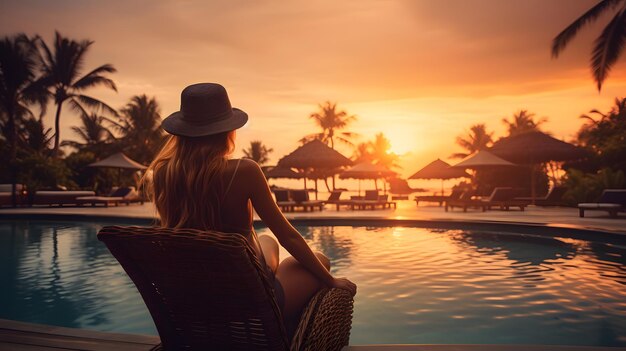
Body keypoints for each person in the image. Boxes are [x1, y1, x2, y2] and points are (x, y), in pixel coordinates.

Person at [143, 83, 356, 339]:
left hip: (197, 301)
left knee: (267, 241)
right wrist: (331, 281)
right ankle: (283, 334)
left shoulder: (165, 173)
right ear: (227, 131)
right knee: (320, 260)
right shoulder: (244, 170)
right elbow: (287, 235)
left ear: (183, 132)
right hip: (250, 307)